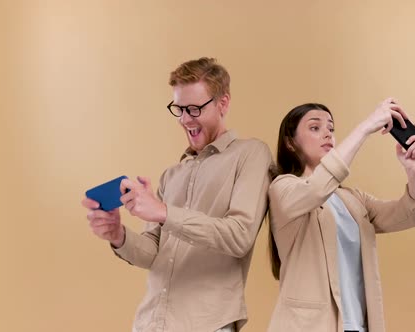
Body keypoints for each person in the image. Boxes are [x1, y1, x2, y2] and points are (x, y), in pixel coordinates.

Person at [82, 57, 272, 332]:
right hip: (150, 323)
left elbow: (239, 236)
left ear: (223, 103)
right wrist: (118, 235)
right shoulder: (172, 175)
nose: (185, 120)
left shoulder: (251, 154)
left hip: (207, 325)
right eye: (179, 109)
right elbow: (151, 254)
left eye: (194, 109)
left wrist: (164, 212)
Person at [266, 99, 415, 332]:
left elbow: (409, 214)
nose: (327, 135)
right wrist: (366, 127)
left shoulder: (352, 200)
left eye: (331, 129)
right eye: (315, 128)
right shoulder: (283, 188)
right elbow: (315, 189)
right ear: (290, 143)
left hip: (356, 326)